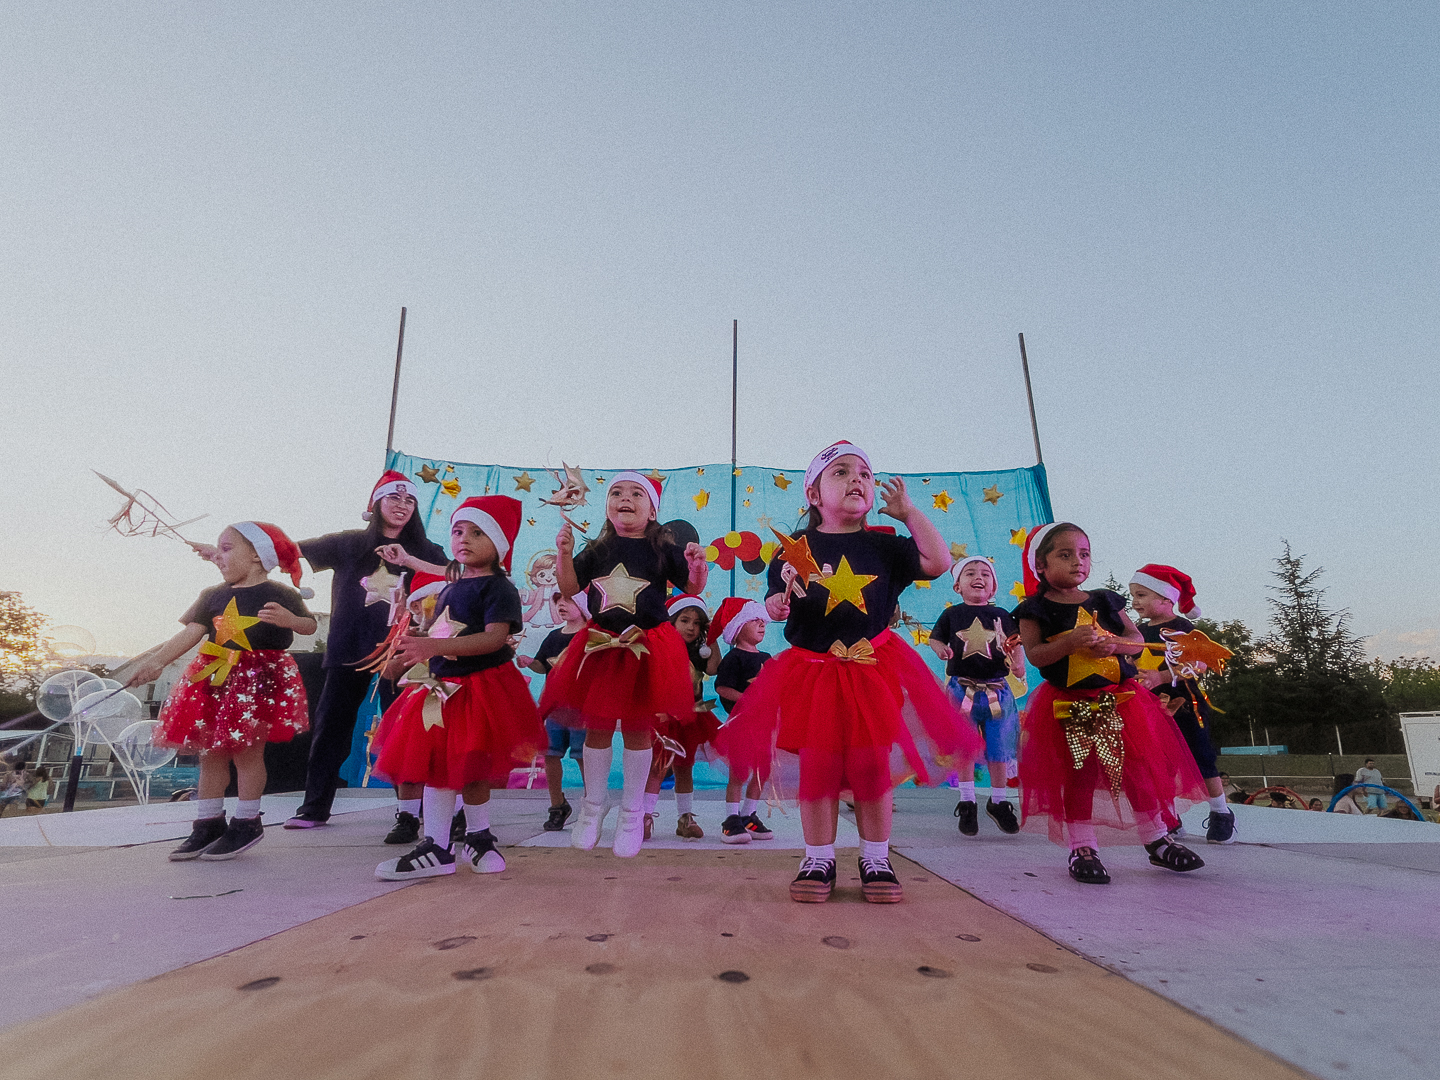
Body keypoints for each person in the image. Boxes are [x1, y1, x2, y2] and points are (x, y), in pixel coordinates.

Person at [716, 440, 981, 904]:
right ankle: (818, 856)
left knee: (870, 766)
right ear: (814, 495)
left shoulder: (885, 545)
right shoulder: (793, 551)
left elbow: (938, 563)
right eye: (840, 472)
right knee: (817, 766)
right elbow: (782, 602)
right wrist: (776, 605)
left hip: (871, 669)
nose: (857, 478)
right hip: (812, 672)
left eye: (864, 472)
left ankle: (875, 855)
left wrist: (909, 514)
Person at [1013, 523, 1207, 885]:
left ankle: (1156, 839)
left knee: (1138, 771)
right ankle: (1082, 846)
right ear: (1040, 564)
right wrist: (1070, 641)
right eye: (1065, 555)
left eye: (1084, 554)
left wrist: (1114, 645)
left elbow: (1135, 640)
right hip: (1071, 705)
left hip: (1121, 701)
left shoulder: (1103, 599)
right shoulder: (1034, 608)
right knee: (1080, 773)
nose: (1078, 562)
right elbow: (1037, 655)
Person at [371, 496, 545, 880]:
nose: (464, 538)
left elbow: (494, 639)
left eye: (478, 532)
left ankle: (478, 837)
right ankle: (436, 846)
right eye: (458, 530)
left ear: (499, 544)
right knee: (436, 764)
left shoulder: (499, 587)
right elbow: (441, 631)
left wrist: (435, 646)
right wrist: (412, 652)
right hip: (439, 690)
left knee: (474, 766)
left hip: (482, 690)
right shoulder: (449, 587)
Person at [540, 472, 709, 858]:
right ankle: (592, 808)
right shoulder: (596, 548)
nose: (625, 498)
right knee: (597, 728)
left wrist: (698, 565)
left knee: (638, 730)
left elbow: (693, 588)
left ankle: (633, 814)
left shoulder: (663, 550)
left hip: (646, 648)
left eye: (636, 493)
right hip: (603, 649)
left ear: (653, 510)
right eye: (616, 492)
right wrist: (564, 553)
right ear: (607, 506)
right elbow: (568, 588)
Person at [128, 522, 315, 860]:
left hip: (258, 678)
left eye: (227, 549)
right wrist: (156, 662)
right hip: (214, 675)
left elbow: (309, 625)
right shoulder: (212, 595)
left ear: (257, 555)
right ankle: (208, 823)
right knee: (210, 753)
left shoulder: (281, 593)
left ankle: (246, 822)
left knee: (247, 752)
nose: (219, 556)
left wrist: (289, 619)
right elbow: (191, 634)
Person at [285, 471, 448, 831]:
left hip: (403, 654)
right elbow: (288, 551)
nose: (402, 506)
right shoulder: (347, 543)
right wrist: (244, 549)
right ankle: (314, 808)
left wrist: (409, 561)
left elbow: (457, 576)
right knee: (331, 728)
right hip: (349, 650)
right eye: (394, 498)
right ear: (376, 503)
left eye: (409, 501)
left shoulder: (427, 550)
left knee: (408, 732)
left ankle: (411, 814)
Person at [1129, 565, 1237, 844]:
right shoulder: (1137, 633)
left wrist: (1161, 676)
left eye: (1141, 594)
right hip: (1152, 708)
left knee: (1202, 758)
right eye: (1133, 595)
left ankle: (1221, 812)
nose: (1135, 601)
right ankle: (1170, 818)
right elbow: (1132, 661)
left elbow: (1197, 665)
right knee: (1159, 764)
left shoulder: (1183, 628)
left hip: (1186, 705)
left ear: (1167, 599)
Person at [929, 555, 1024, 838]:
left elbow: (1015, 642)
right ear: (958, 586)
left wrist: (1018, 663)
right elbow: (937, 638)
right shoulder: (951, 615)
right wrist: (939, 650)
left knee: (999, 748)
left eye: (985, 573)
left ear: (993, 587)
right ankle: (967, 800)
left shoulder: (1003, 616)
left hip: (997, 690)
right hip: (962, 690)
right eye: (969, 573)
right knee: (965, 745)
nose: (978, 577)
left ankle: (999, 800)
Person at [643, 594, 722, 841]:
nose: (691, 627)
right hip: (665, 717)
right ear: (671, 622)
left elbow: (713, 668)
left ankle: (685, 817)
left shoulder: (699, 649)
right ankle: (643, 816)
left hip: (692, 716)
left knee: (684, 767)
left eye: (697, 623)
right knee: (658, 767)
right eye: (685, 621)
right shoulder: (659, 647)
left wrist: (712, 639)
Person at [521, 591, 589, 831]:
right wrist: (531, 662)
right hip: (555, 709)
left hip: (582, 709)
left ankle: (592, 803)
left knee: (584, 756)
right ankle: (557, 804)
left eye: (568, 600)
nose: (561, 605)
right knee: (550, 754)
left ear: (582, 605)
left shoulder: (591, 636)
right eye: (558, 601)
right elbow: (543, 666)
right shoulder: (553, 636)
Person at [710, 597, 773, 844]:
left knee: (761, 771)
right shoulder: (734, 658)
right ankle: (731, 819)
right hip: (741, 726)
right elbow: (723, 688)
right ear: (737, 628)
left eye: (763, 620)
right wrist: (747, 702)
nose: (761, 624)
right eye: (754, 620)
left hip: (763, 727)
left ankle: (749, 814)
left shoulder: (766, 657)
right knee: (739, 771)